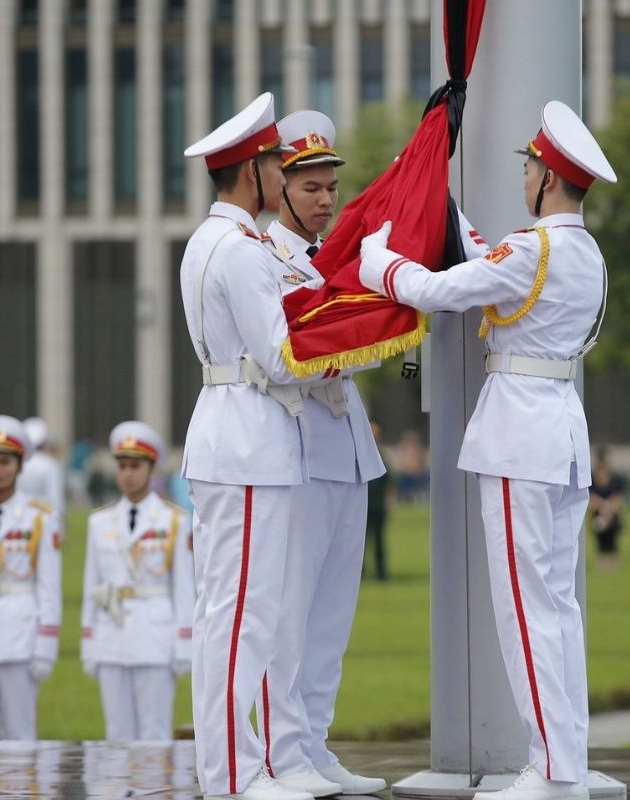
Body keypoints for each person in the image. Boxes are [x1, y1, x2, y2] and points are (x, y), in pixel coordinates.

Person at [359, 99, 616, 800]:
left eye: (532, 166)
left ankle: (553, 771)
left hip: (519, 439)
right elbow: (492, 265)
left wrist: (379, 263)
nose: (525, 175)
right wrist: (462, 231)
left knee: (525, 609)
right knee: (558, 610)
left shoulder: (534, 250)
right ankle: (567, 757)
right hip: (559, 432)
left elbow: (440, 289)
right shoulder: (583, 253)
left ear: (549, 179)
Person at [179, 92, 314, 800]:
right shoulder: (241, 251)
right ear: (249, 171)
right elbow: (283, 356)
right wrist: (349, 337)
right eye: (273, 163)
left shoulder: (212, 241)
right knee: (242, 616)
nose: (281, 174)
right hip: (248, 439)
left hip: (230, 429)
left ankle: (239, 765)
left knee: (233, 613)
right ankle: (234, 774)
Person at [258, 109, 387, 796]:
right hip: (298, 444)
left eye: (332, 186)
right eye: (311, 186)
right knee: (291, 613)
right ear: (279, 185)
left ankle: (315, 743)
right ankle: (282, 754)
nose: (326, 199)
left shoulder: (335, 257)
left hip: (345, 446)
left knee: (332, 614)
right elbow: (298, 348)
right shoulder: (265, 257)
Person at [81, 421, 194, 741]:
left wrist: (183, 643)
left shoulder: (174, 520)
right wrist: (89, 640)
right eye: (122, 466)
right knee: (116, 733)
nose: (128, 474)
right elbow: (93, 585)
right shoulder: (99, 521)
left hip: (154, 637)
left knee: (155, 734)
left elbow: (184, 587)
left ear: (151, 468)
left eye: (135, 466)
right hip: (111, 636)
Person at [0, 414, 62, 742]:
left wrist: (45, 646)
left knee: (20, 733)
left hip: (21, 634)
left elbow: (49, 586)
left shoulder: (39, 518)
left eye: (4, 462)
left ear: (20, 466)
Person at [18, 416, 67, 520]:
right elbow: (56, 497)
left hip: (18, 516)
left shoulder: (18, 462)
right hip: (44, 518)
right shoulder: (50, 464)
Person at [364, 421, 393, 582]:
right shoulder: (361, 454)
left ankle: (381, 571)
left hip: (378, 503)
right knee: (361, 540)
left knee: (379, 540)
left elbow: (389, 481)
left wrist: (389, 501)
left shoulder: (382, 455)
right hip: (365, 503)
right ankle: (361, 571)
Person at [587, 448, 624, 569]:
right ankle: (602, 566)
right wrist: (602, 507)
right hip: (597, 514)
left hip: (611, 516)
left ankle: (613, 567)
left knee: (612, 543)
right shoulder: (591, 479)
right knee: (601, 544)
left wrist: (608, 512)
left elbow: (617, 499)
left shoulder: (614, 480)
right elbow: (591, 498)